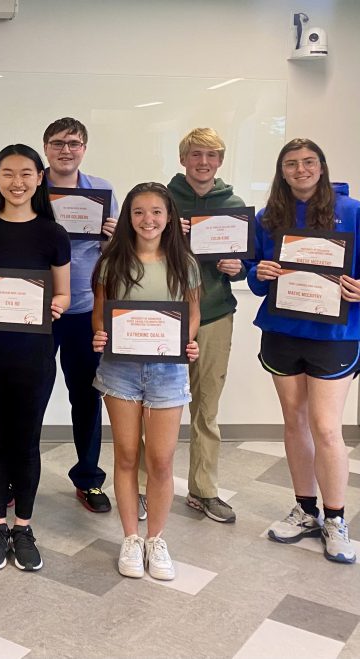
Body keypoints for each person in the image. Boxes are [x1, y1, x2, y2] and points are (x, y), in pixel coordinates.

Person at [0, 144, 71, 572]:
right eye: (7, 173)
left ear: (39, 178)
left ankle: (23, 526)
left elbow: (61, 291)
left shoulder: (51, 233)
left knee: (26, 442)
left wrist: (56, 305)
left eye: (26, 173)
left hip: (33, 353)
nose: (17, 182)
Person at [248, 138, 358, 565]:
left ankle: (335, 519)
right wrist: (262, 270)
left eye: (309, 162)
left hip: (336, 334)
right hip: (283, 331)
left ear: (322, 166)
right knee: (294, 422)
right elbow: (257, 280)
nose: (300, 169)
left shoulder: (352, 212)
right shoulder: (267, 217)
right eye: (291, 164)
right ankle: (306, 510)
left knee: (327, 427)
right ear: (282, 171)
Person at [91, 182, 201, 581]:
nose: (148, 220)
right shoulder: (110, 261)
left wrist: (187, 342)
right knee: (125, 455)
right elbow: (100, 315)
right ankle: (131, 538)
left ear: (169, 217)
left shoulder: (183, 262)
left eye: (156, 212)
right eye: (139, 212)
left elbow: (192, 314)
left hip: (167, 371)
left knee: (161, 459)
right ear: (128, 217)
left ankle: (156, 538)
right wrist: (100, 333)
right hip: (120, 369)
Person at [167, 128, 246, 523]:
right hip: (163, 316)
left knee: (206, 411)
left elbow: (244, 262)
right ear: (183, 159)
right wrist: (169, 235)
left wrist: (239, 267)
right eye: (195, 155)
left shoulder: (233, 204)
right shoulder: (161, 200)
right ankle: (148, 489)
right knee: (155, 407)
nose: (203, 162)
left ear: (219, 161)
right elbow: (135, 246)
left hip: (214, 315)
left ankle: (203, 490)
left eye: (211, 156)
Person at [41, 117, 118, 514]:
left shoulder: (103, 192)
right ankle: (21, 479)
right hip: (37, 309)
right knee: (30, 395)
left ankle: (88, 479)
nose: (65, 150)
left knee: (87, 397)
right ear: (46, 148)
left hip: (85, 310)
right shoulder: (31, 189)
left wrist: (110, 239)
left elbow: (115, 258)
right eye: (57, 143)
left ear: (84, 148)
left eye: (73, 143)